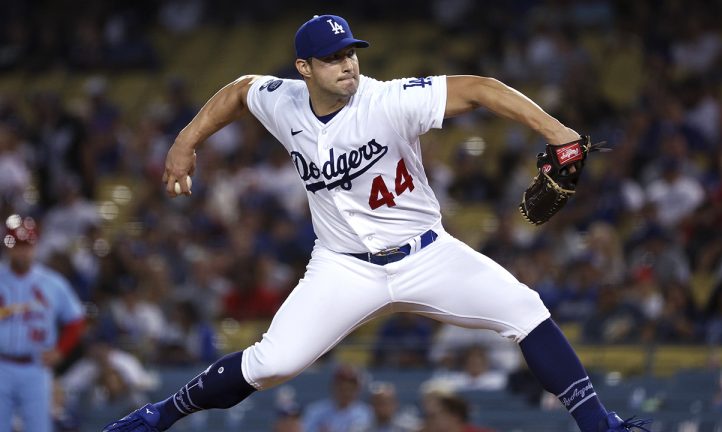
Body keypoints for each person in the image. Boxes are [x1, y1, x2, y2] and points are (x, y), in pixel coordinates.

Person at [103, 14, 649, 432]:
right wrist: (184, 142)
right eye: (333, 57)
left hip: (427, 255)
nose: (348, 64)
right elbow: (241, 89)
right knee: (271, 364)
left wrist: (559, 135)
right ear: (304, 69)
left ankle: (603, 426)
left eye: (351, 53)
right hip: (342, 269)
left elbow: (481, 88)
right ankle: (159, 416)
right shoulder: (284, 102)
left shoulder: (389, 100)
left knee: (526, 310)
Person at [0, 214, 86, 432]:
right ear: (8, 247)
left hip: (35, 366)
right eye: (16, 245)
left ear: (35, 246)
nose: (21, 250)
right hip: (1, 364)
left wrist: (60, 350)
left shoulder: (52, 283)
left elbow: (76, 321)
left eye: (26, 245)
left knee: (39, 428)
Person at [302, 364, 373, 432]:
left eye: (350, 389)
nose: (346, 393)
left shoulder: (366, 412)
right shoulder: (316, 411)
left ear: (357, 389)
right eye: (342, 389)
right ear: (333, 387)